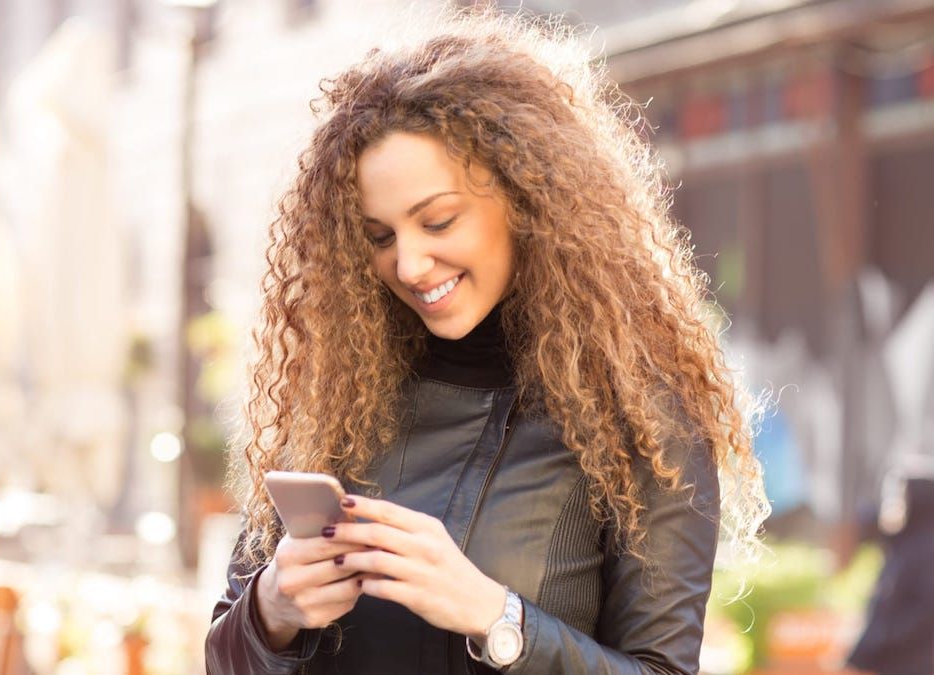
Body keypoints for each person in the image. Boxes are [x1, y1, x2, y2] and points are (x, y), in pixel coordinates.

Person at [205, 10, 768, 674]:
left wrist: (499, 620)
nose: (409, 264)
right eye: (380, 236)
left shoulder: (641, 416)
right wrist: (272, 608)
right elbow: (223, 653)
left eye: (438, 220)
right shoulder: (338, 397)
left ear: (527, 200)